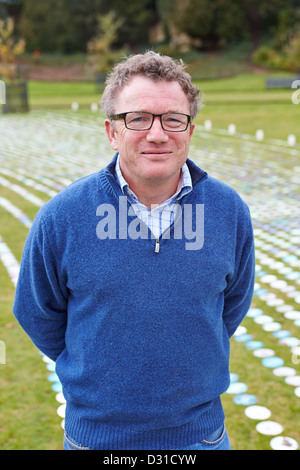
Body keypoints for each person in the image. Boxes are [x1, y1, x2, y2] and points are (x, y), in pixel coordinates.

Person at [13, 51, 255, 451]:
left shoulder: (229, 211)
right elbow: (37, 311)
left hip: (200, 438)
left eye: (173, 119)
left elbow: (232, 305)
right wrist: (93, 367)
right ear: (112, 132)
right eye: (138, 118)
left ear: (190, 130)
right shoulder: (62, 215)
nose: (157, 134)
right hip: (97, 439)